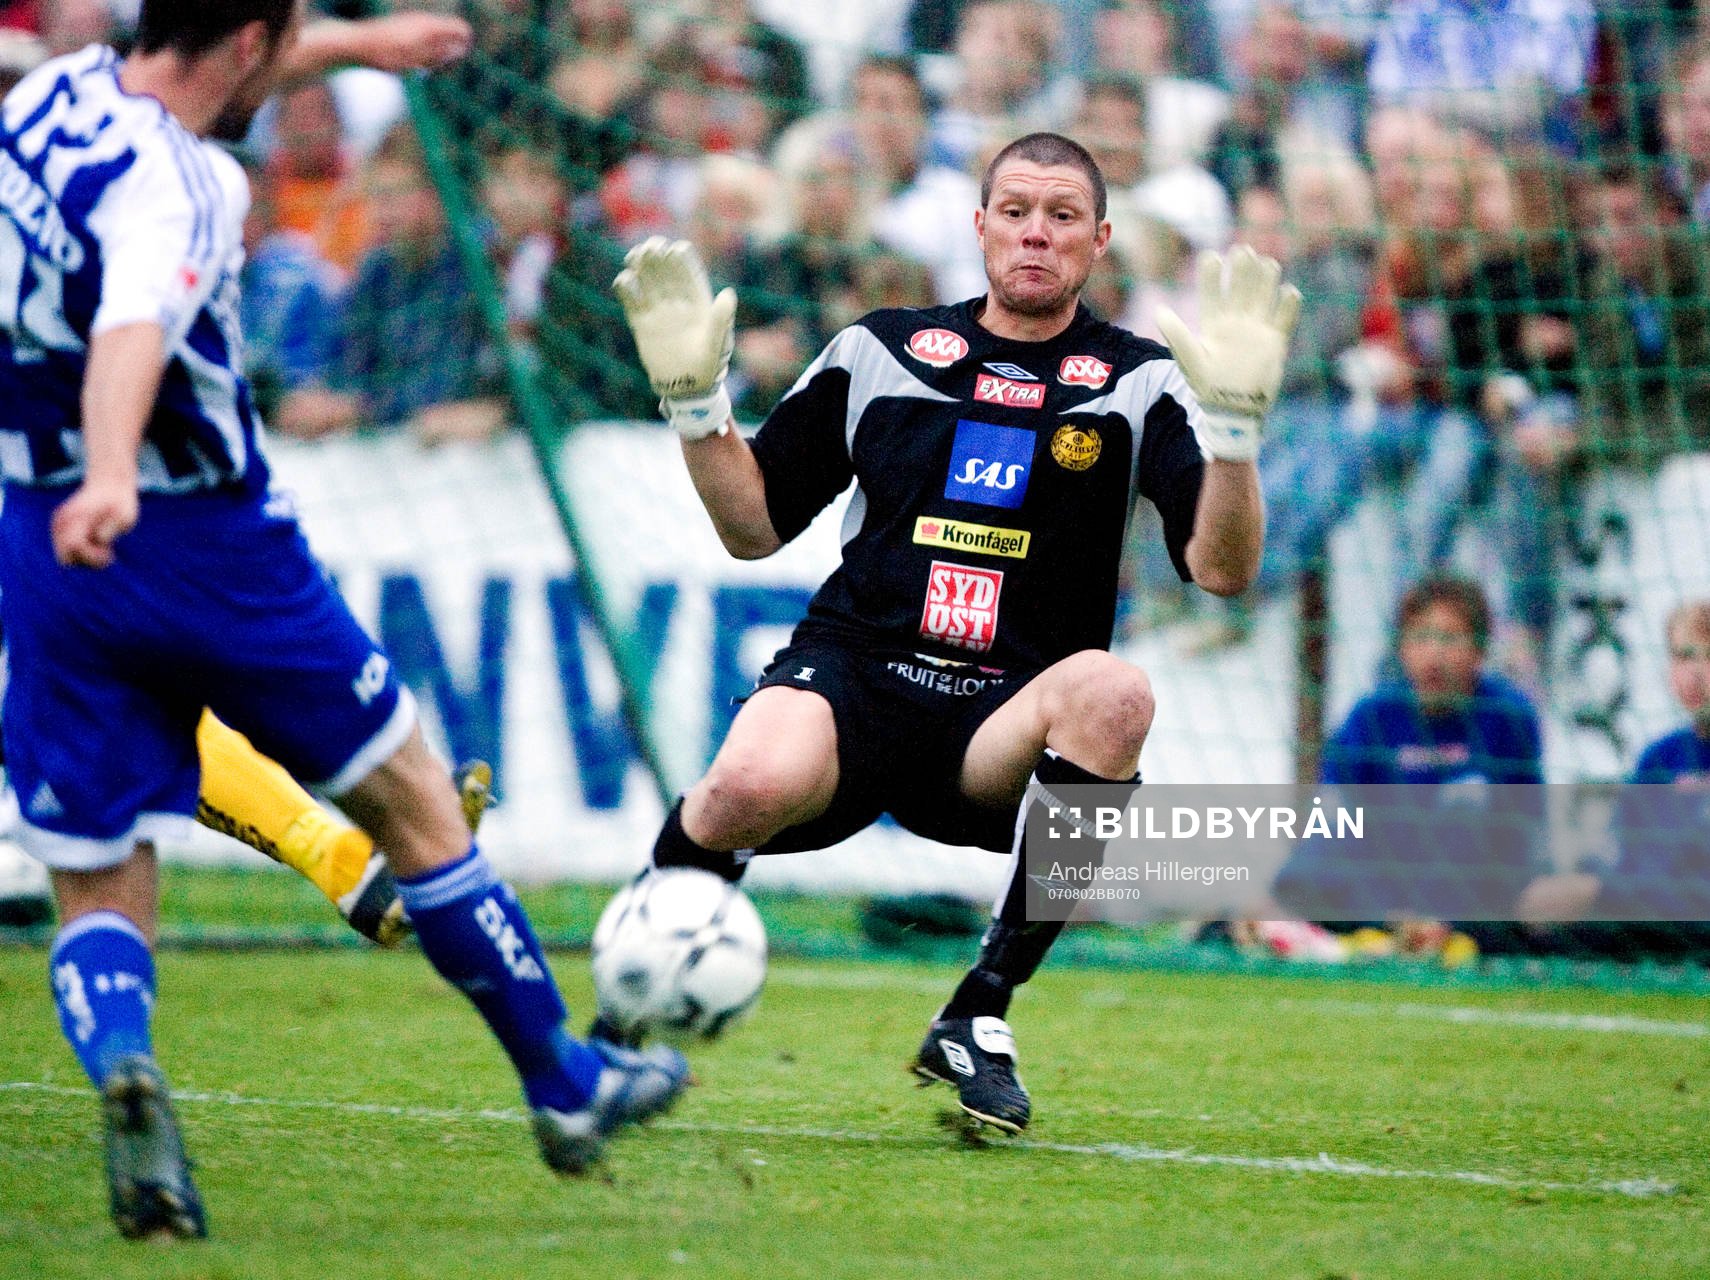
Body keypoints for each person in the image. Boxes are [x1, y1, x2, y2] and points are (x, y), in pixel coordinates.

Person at [0, 0, 686, 1241]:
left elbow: (221, 53)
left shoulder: (49, 97)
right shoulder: (191, 182)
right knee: (415, 800)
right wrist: (115, 466)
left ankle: (125, 1067)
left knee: (95, 867)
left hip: (46, 539)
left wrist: (360, 48)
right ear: (254, 42)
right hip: (203, 541)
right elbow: (133, 327)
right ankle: (564, 1083)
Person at [608, 130, 1299, 1132]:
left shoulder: (1140, 377)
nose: (1036, 232)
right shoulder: (880, 348)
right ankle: (616, 1017)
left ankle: (980, 1010)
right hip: (854, 674)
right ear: (979, 227)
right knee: (741, 785)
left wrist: (1233, 440)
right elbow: (751, 528)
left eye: (1062, 216)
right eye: (1015, 210)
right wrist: (695, 408)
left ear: (1098, 240)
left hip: (999, 719)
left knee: (1117, 693)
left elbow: (1223, 570)